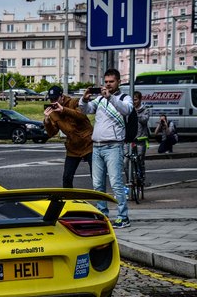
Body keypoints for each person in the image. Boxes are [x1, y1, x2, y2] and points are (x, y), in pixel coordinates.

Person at [79, 68, 133, 229]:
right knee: (97, 184)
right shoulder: (101, 99)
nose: (108, 85)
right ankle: (102, 215)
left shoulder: (124, 97)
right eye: (106, 82)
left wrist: (111, 98)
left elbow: (127, 110)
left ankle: (123, 216)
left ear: (118, 82)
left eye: (111, 82)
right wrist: (84, 99)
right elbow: (85, 110)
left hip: (114, 146)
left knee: (116, 183)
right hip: (97, 146)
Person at [43, 85, 93, 188]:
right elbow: (52, 133)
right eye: (51, 99)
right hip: (73, 147)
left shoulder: (74, 102)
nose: (53, 102)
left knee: (96, 175)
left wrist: (64, 110)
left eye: (55, 99)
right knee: (67, 177)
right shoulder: (53, 112)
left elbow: (82, 115)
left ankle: (100, 199)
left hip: (88, 144)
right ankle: (69, 200)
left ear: (62, 96)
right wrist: (47, 121)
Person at [124, 91, 151, 181]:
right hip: (129, 140)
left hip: (140, 139)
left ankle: (141, 178)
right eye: (132, 100)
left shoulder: (145, 110)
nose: (133, 102)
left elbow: (144, 120)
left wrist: (136, 114)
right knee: (125, 162)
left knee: (140, 160)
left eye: (135, 100)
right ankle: (129, 181)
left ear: (140, 99)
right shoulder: (128, 109)